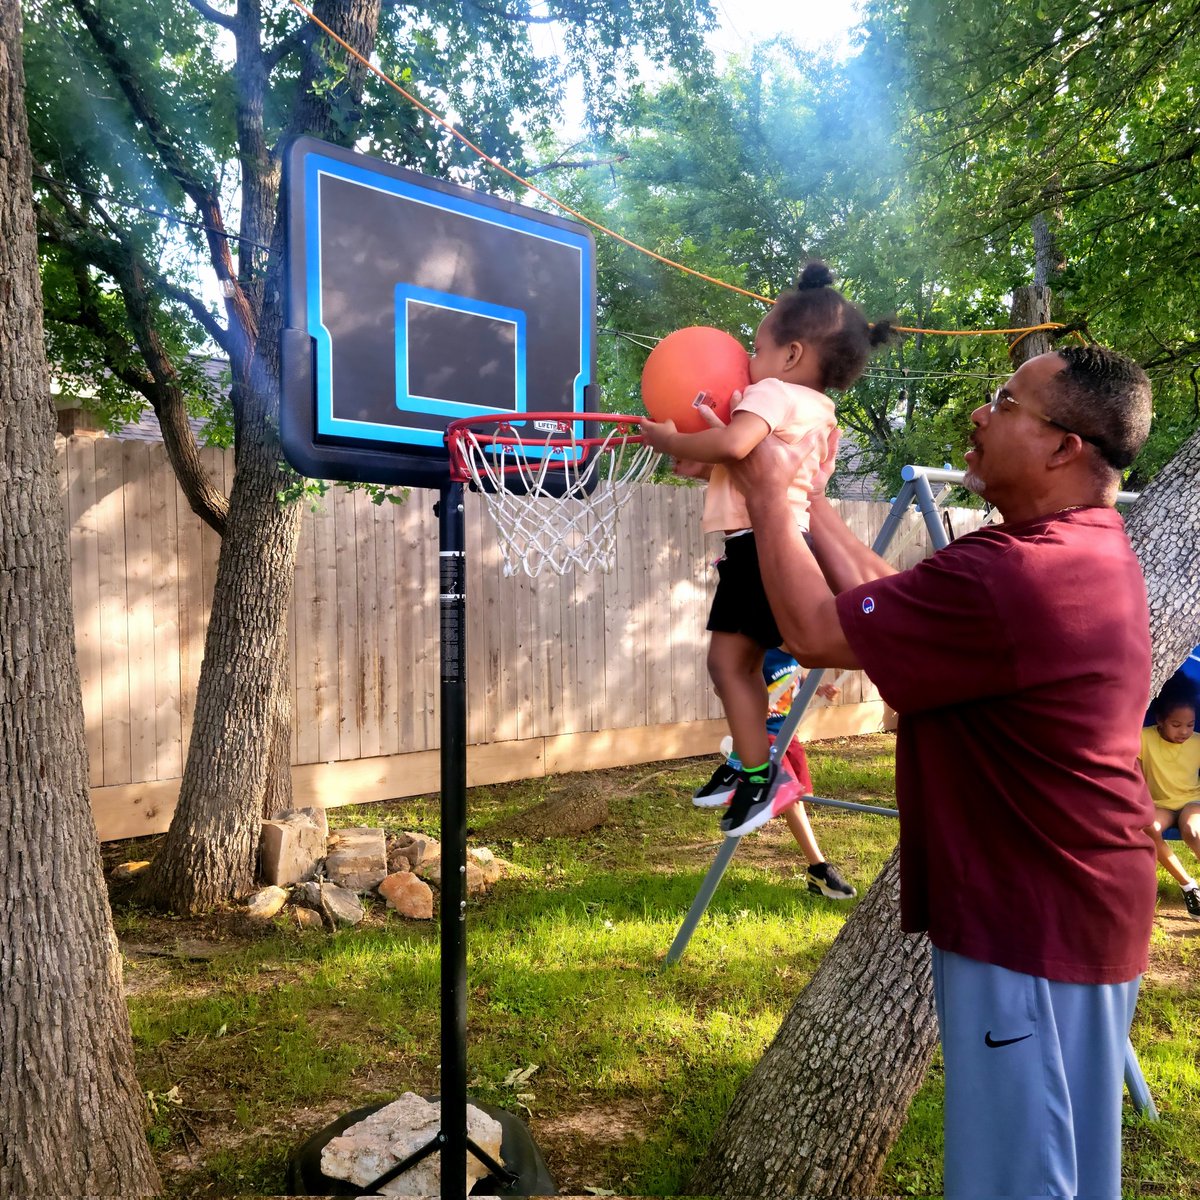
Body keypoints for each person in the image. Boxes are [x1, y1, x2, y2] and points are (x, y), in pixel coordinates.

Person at [722, 344, 1156, 1199]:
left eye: (1006, 401)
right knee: (1058, 1166)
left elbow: (813, 632)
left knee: (1023, 1181)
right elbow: (885, 599)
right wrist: (810, 499)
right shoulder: (1073, 548)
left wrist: (770, 499)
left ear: (1065, 446)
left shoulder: (1017, 573)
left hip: (1036, 924)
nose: (981, 412)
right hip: (1065, 909)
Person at [640, 261, 890, 838]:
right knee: (733, 664)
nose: (747, 362)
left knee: (731, 664)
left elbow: (734, 441)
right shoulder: (820, 413)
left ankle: (759, 772)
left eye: (755, 347)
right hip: (770, 542)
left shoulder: (773, 392)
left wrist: (671, 437)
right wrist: (703, 468)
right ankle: (752, 770)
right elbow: (753, 473)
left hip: (757, 548)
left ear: (793, 355)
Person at [699, 647, 857, 899]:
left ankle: (744, 775)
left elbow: (796, 680)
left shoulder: (794, 654)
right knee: (790, 797)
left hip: (788, 733)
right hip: (761, 736)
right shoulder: (761, 653)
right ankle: (819, 867)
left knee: (801, 797)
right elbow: (724, 686)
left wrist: (818, 689)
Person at [1138, 693, 1200, 919]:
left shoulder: (1198, 742)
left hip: (1192, 802)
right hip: (1159, 803)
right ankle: (1188, 886)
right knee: (1149, 828)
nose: (1184, 731)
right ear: (1160, 720)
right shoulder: (1143, 738)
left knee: (1193, 831)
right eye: (1176, 724)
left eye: (1190, 725)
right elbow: (1134, 773)